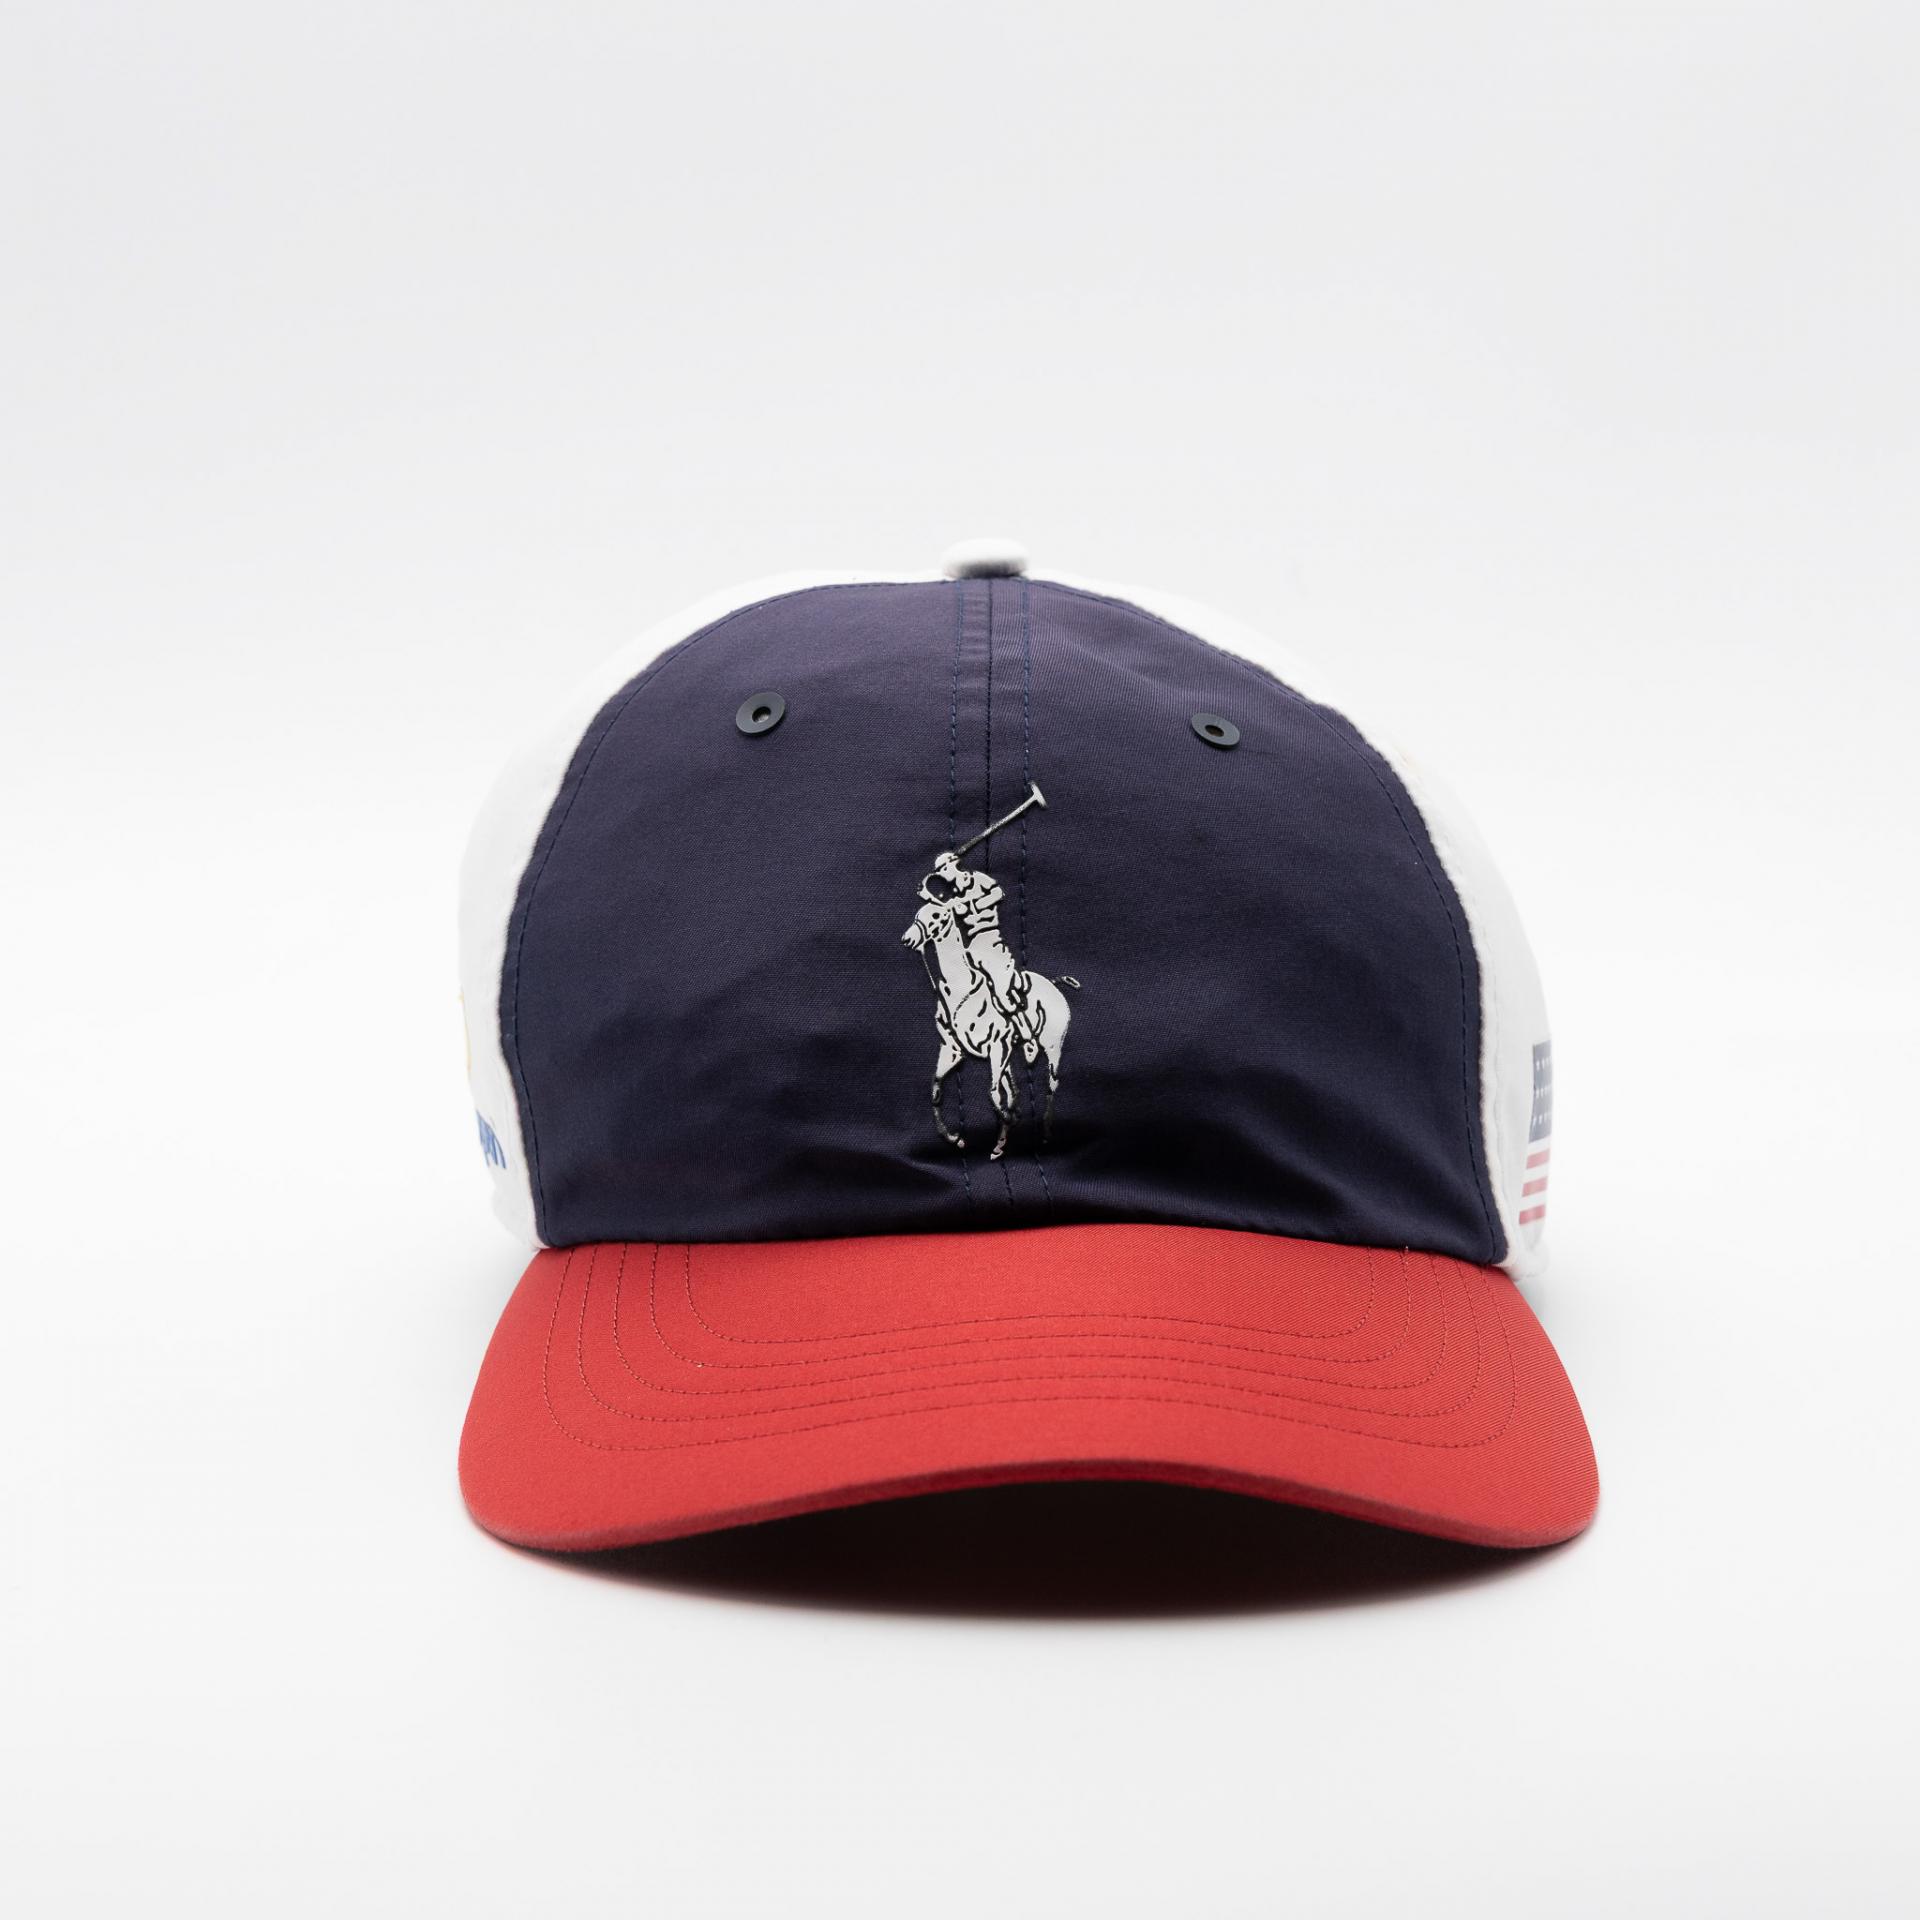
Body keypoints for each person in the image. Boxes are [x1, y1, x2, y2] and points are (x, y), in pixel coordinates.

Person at [931, 850, 1032, 1033]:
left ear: (953, 864)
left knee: (1001, 990)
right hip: (971, 945)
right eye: (939, 872)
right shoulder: (954, 894)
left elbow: (998, 893)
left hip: (989, 938)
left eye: (943, 869)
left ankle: (1025, 1032)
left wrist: (971, 906)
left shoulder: (977, 879)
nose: (942, 874)